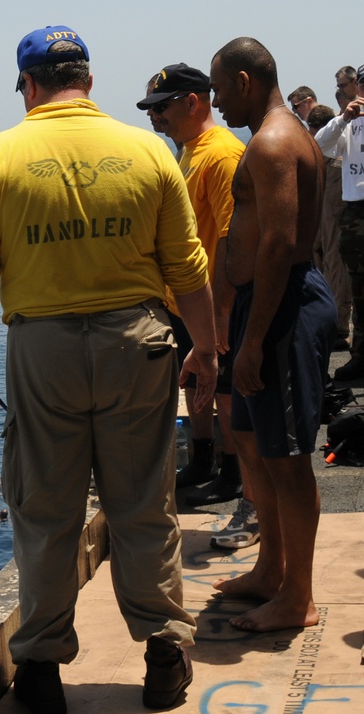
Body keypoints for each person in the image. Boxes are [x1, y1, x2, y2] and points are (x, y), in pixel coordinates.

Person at [0, 25, 216, 712]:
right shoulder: (148, 150)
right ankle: (164, 659)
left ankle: (40, 670)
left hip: (44, 351)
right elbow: (186, 265)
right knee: (144, 503)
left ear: (29, 87)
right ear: (87, 81)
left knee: (45, 510)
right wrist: (207, 350)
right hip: (139, 342)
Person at [208, 38, 337, 632]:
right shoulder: (274, 137)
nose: (215, 101)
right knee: (255, 444)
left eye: (218, 88)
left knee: (287, 459)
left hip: (281, 308)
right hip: (259, 307)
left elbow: (281, 243)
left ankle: (298, 598)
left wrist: (255, 339)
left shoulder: (275, 141)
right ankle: (271, 570)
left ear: (244, 79)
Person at [137, 64, 246, 508]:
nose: (153, 117)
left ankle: (234, 472)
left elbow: (232, 237)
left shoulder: (220, 154)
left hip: (214, 303)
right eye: (150, 109)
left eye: (161, 107)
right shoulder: (188, 151)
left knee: (224, 390)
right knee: (196, 382)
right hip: (186, 303)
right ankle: (204, 461)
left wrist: (219, 311)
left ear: (192, 102)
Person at [317, 69, 364, 381]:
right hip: (356, 212)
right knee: (359, 290)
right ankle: (361, 357)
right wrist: (343, 118)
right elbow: (322, 144)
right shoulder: (351, 121)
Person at [306, 104, 353, 353]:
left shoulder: (338, 157)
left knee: (336, 267)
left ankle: (341, 326)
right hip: (321, 223)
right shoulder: (320, 154)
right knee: (323, 265)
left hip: (336, 220)